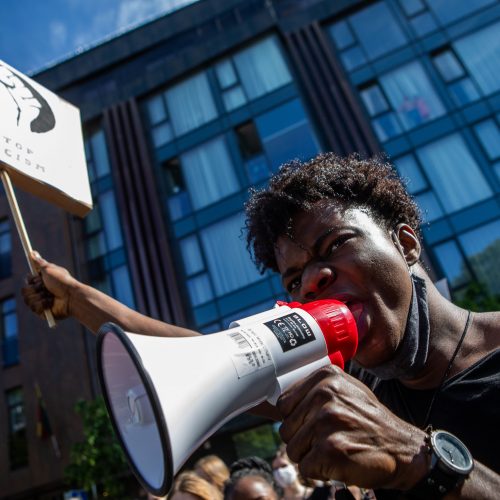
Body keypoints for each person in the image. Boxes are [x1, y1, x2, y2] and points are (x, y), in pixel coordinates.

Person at [22, 153, 500, 498]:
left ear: (406, 244)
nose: (312, 281)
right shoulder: (355, 386)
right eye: (294, 279)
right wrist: (78, 298)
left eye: (334, 245)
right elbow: (196, 356)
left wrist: (420, 462)